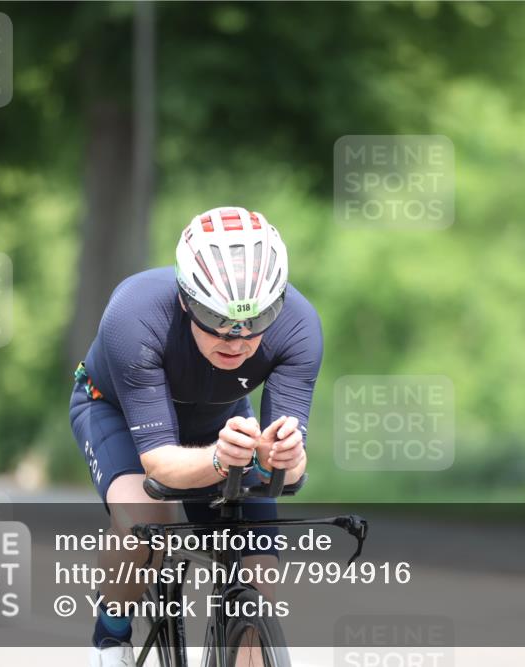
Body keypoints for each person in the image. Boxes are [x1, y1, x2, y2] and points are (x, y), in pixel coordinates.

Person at [69, 206, 322, 667]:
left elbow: (288, 471)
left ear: (278, 302)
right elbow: (159, 466)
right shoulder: (134, 314)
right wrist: (223, 461)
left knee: (260, 571)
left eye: (256, 321)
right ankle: (111, 633)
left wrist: (281, 456)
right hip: (115, 411)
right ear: (186, 299)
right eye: (215, 318)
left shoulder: (299, 326)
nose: (236, 340)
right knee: (146, 516)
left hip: (218, 422)